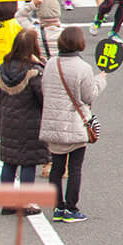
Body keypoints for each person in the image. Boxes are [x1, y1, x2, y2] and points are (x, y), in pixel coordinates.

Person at [39, 26, 107, 223]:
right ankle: (71, 208)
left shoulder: (51, 64)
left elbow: (45, 90)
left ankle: (57, 208)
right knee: (75, 167)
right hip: (75, 125)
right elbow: (89, 95)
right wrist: (100, 80)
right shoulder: (83, 68)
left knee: (56, 168)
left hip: (53, 124)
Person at [0, 28, 49, 214]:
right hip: (30, 123)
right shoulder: (33, 72)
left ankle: (7, 202)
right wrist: (42, 65)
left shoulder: (3, 68)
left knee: (9, 163)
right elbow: (43, 98)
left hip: (8, 121)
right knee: (28, 163)